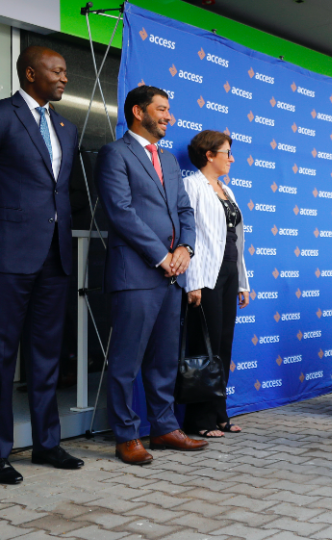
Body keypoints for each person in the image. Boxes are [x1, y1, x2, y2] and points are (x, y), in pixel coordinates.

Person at [97, 85, 207, 465]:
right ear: (137, 112)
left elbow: (185, 212)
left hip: (171, 277)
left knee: (163, 360)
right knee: (126, 361)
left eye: (169, 110)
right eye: (161, 109)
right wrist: (163, 255)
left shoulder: (170, 161)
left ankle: (162, 427)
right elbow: (121, 212)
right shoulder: (115, 154)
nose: (168, 117)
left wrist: (185, 250)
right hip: (136, 275)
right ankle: (126, 435)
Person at [0, 47, 84, 485]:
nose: (64, 78)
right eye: (57, 71)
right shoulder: (3, 115)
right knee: (2, 353)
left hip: (55, 254)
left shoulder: (65, 128)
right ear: (30, 73)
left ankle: (47, 444)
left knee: (46, 354)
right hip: (10, 253)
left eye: (66, 72)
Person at [182, 131, 250, 438]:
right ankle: (198, 419)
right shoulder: (192, 185)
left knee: (223, 346)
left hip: (229, 274)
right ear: (209, 155)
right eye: (227, 153)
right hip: (205, 276)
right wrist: (192, 282)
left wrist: (242, 282)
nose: (231, 159)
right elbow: (189, 235)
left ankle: (220, 413)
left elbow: (236, 240)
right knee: (203, 349)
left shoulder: (228, 191)